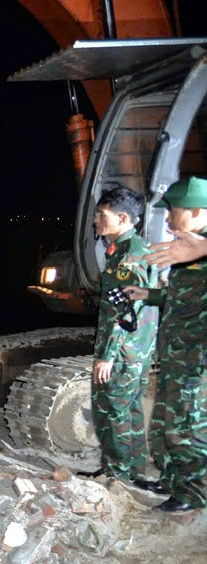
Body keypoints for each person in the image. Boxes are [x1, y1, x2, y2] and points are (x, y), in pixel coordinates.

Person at [123, 176, 207, 513]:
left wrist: (203, 247)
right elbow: (184, 296)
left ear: (198, 211)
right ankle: (173, 479)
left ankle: (195, 492)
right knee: (165, 423)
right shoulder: (184, 250)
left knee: (189, 425)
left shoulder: (198, 248)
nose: (168, 219)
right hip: (176, 354)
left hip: (197, 360)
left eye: (174, 211)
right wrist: (150, 294)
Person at [88, 185, 161, 485]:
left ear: (122, 218)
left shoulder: (128, 256)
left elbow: (126, 312)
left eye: (101, 215)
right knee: (129, 408)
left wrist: (107, 356)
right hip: (136, 349)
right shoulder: (134, 248)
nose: (96, 220)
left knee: (113, 410)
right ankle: (134, 471)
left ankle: (116, 475)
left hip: (123, 351)